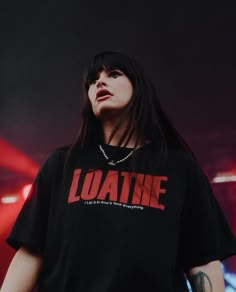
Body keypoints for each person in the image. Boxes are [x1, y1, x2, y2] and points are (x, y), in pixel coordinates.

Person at [1, 51, 236, 292]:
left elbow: (203, 262)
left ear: (139, 88)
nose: (99, 82)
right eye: (92, 80)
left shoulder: (181, 169)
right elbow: (31, 252)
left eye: (113, 74)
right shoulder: (61, 165)